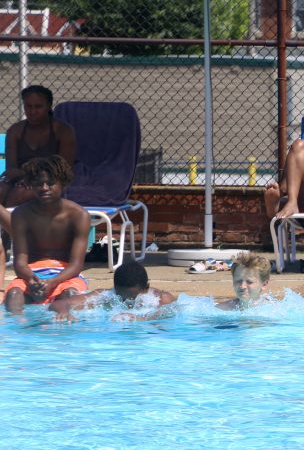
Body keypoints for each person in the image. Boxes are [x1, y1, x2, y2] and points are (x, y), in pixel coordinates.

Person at [2, 86, 78, 273]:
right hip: (20, 179)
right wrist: (21, 176)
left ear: (49, 106)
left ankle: (12, 244)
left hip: (50, 182)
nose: (33, 111)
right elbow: (11, 169)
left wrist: (30, 177)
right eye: (28, 107)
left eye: (38, 106)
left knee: (16, 196)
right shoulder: (16, 131)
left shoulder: (62, 131)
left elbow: (63, 168)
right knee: (3, 190)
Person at [4, 156, 91, 314]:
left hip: (66, 275)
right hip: (31, 274)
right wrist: (30, 279)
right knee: (13, 296)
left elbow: (76, 265)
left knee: (70, 297)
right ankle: (18, 336)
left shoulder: (79, 215)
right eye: (38, 183)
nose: (44, 188)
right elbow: (20, 262)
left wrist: (53, 282)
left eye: (50, 183)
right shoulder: (21, 214)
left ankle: (65, 336)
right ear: (30, 185)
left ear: (62, 183)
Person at [50, 259, 177, 322]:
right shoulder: (105, 295)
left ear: (146, 288)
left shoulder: (160, 298)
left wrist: (141, 319)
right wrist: (64, 311)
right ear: (114, 287)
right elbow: (59, 304)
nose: (127, 300)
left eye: (132, 296)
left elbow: (172, 312)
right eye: (121, 296)